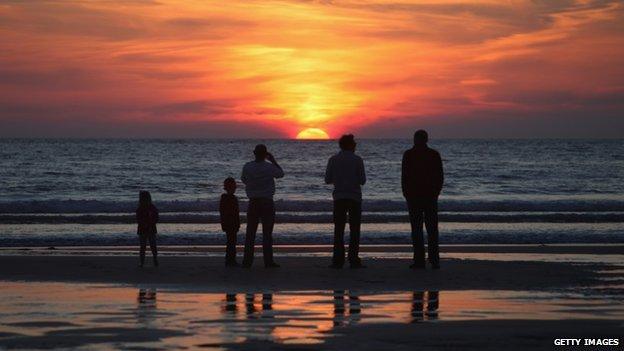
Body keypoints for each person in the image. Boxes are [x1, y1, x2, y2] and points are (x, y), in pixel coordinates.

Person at [402, 130, 444, 269]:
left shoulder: (409, 154)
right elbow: (440, 176)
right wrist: (436, 192)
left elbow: (405, 176)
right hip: (426, 196)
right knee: (431, 229)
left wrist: (406, 192)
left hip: (417, 196)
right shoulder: (433, 154)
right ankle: (433, 260)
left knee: (418, 229)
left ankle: (421, 260)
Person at [325, 134, 366, 269]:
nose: (355, 145)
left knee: (339, 229)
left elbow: (327, 179)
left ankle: (338, 260)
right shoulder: (357, 160)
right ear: (349, 145)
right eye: (354, 143)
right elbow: (362, 180)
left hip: (339, 197)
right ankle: (353, 259)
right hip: (354, 197)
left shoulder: (333, 159)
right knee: (354, 229)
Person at [241, 144, 284, 268]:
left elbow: (244, 180)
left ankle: (247, 261)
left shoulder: (247, 166)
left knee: (250, 232)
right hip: (267, 201)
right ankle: (268, 261)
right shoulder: (269, 167)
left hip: (253, 201)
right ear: (265, 154)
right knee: (267, 233)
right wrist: (273, 160)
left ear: (254, 153)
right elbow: (281, 174)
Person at [219, 177, 240, 267]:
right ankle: (230, 260)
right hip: (231, 223)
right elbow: (233, 212)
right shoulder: (230, 198)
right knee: (231, 242)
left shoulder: (225, 198)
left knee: (231, 242)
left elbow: (222, 212)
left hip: (229, 223)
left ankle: (230, 260)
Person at [136, 190, 159, 267]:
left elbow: (156, 218)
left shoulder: (150, 208)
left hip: (148, 228)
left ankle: (151, 260)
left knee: (147, 246)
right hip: (146, 228)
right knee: (147, 246)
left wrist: (148, 223)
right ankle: (146, 261)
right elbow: (138, 219)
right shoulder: (142, 208)